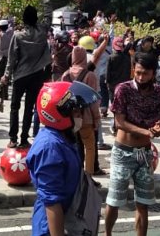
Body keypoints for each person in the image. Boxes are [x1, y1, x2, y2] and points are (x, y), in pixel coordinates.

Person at [26, 81, 101, 236]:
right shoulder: (49, 148)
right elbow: (52, 203)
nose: (80, 117)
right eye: (76, 113)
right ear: (60, 115)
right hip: (52, 228)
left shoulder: (64, 137)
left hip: (69, 218)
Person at [104, 53, 160, 236]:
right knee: (114, 201)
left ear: (153, 73)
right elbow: (120, 123)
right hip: (123, 153)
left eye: (145, 73)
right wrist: (147, 132)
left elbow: (158, 121)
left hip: (145, 153)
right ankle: (107, 234)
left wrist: (157, 128)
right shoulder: (122, 89)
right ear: (133, 70)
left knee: (143, 204)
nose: (140, 77)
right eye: (138, 72)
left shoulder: (159, 92)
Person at [2, 0, 52, 149]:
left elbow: (12, 58)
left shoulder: (18, 36)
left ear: (23, 20)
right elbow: (48, 12)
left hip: (20, 75)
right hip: (37, 74)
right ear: (36, 18)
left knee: (15, 107)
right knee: (30, 107)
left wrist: (6, 75)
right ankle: (24, 138)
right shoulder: (43, 32)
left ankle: (12, 138)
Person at [61, 46, 101, 175]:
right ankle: (88, 176)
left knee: (75, 146)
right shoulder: (90, 76)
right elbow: (93, 101)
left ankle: (76, 174)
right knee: (89, 147)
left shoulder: (66, 74)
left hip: (70, 118)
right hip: (87, 117)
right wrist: (97, 119)